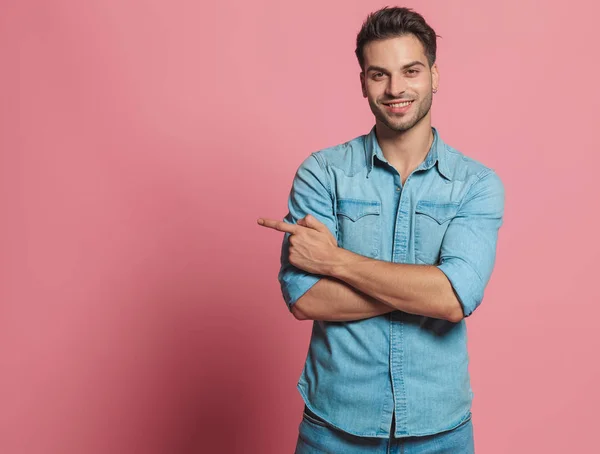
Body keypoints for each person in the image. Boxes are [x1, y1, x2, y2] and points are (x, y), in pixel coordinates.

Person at [257, 6, 504, 453]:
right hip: (333, 428)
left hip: (440, 432)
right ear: (363, 82)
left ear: (433, 75)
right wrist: (419, 288)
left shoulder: (477, 185)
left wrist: (335, 261)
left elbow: (452, 299)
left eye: (410, 70)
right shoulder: (322, 173)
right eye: (379, 74)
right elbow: (306, 297)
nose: (395, 89)